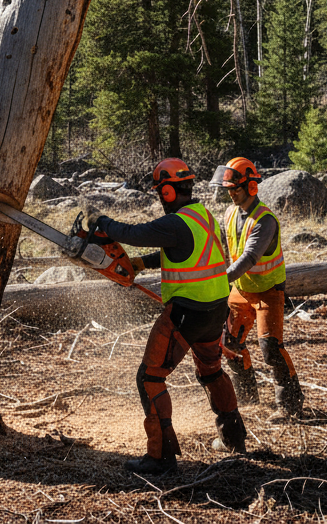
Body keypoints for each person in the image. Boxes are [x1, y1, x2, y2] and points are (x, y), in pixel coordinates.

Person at [91, 157, 247, 475]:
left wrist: (103, 224)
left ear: (168, 193)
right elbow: (180, 251)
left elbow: (135, 233)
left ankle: (160, 458)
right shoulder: (201, 216)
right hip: (214, 309)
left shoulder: (174, 223)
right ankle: (235, 440)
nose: (162, 198)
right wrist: (141, 264)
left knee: (149, 378)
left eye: (162, 192)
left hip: (186, 313)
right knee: (212, 372)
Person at [210, 157, 303, 426]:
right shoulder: (229, 214)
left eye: (235, 188)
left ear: (251, 186)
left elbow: (249, 257)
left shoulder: (265, 220)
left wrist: (221, 279)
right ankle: (247, 398)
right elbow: (226, 250)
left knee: (270, 349)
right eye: (228, 188)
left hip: (267, 293)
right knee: (230, 344)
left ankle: (290, 405)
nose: (231, 193)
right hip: (241, 290)